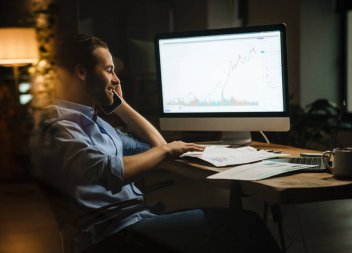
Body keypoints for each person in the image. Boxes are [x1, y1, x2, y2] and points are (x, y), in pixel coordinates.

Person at [30, 34, 281, 253]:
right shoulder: (57, 126)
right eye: (109, 70)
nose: (116, 78)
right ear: (81, 72)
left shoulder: (96, 123)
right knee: (245, 226)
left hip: (134, 221)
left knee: (234, 230)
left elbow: (156, 146)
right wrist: (164, 151)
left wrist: (121, 105)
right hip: (110, 236)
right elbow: (107, 171)